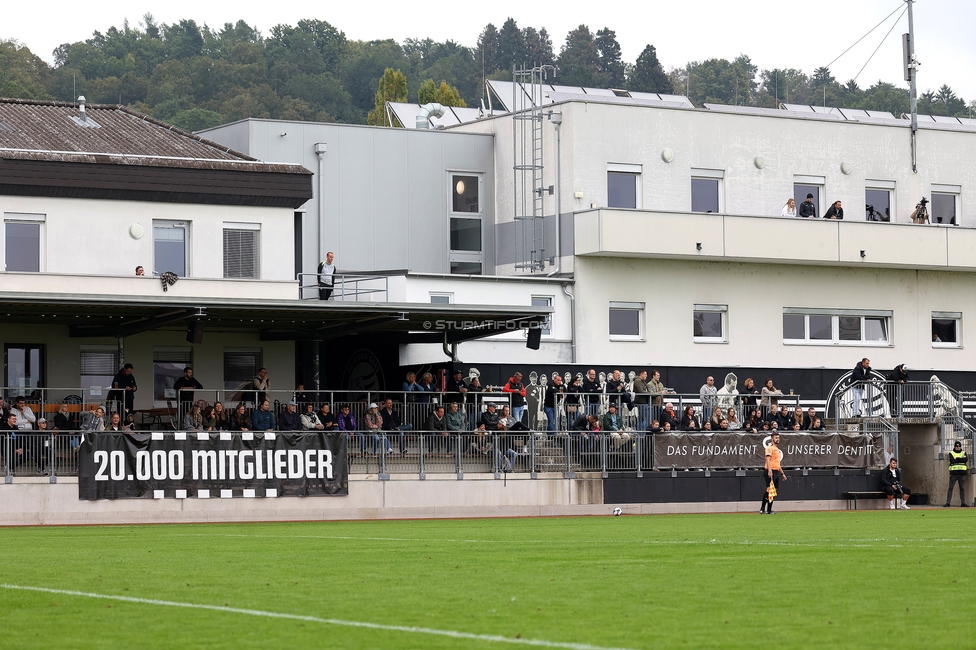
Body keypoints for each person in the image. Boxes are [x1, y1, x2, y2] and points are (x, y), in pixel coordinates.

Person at [759, 432, 787, 514]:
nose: (778, 439)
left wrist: (782, 473)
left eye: (778, 438)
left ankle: (769, 509)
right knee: (769, 489)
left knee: (773, 491)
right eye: (776, 438)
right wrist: (770, 471)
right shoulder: (769, 448)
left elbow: (778, 464)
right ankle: (762, 508)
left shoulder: (777, 450)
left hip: (776, 471)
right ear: (772, 439)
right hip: (770, 470)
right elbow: (768, 460)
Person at [944, 441, 969, 507]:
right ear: (954, 447)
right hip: (954, 473)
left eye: (959, 446)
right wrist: (961, 459)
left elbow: (965, 459)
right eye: (957, 446)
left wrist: (957, 458)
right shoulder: (951, 453)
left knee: (962, 488)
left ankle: (963, 503)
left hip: (961, 473)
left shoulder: (963, 452)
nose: (958, 447)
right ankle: (948, 502)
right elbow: (952, 460)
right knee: (951, 488)